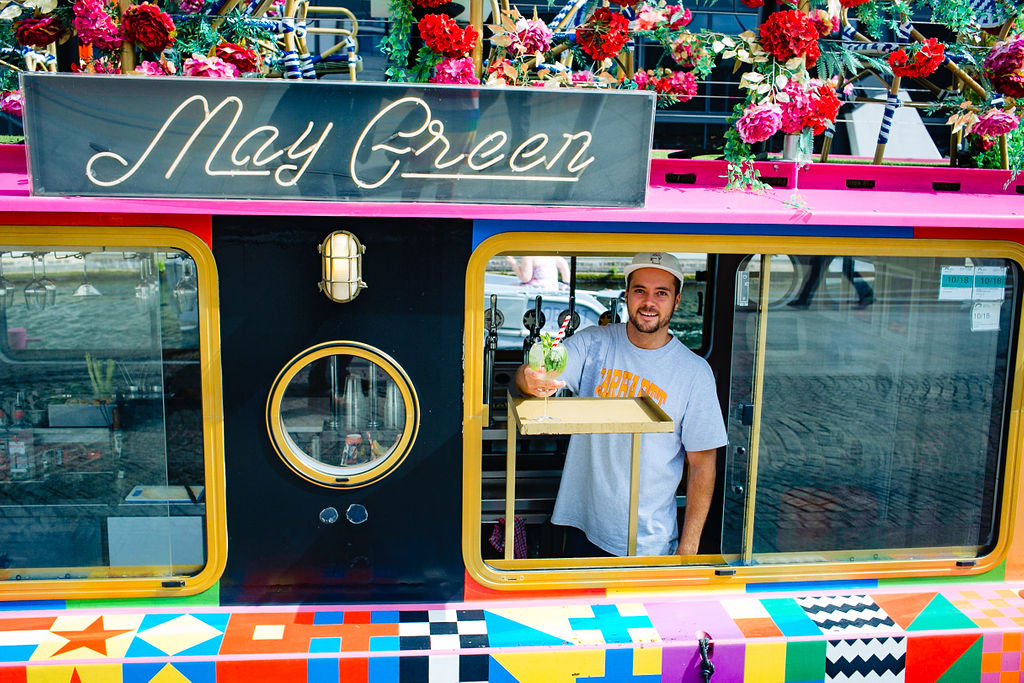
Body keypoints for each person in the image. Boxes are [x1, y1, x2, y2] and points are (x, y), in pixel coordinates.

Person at [514, 253, 727, 557]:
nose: (649, 302)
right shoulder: (593, 343)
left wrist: (688, 548)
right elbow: (537, 373)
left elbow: (703, 464)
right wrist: (528, 378)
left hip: (646, 542)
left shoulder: (694, 372)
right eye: (640, 291)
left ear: (677, 301)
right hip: (581, 525)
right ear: (626, 296)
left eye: (661, 293)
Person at [505, 255, 570, 290]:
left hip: (535, 290)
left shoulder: (529, 257)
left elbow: (525, 278)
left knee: (507, 287)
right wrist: (565, 284)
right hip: (552, 289)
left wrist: (513, 264)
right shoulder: (552, 255)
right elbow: (564, 265)